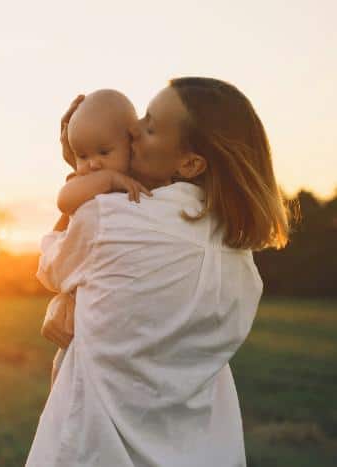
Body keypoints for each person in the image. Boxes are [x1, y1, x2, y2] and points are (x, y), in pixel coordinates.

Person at [26, 77, 291, 467]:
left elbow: (52, 265)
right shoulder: (243, 268)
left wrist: (83, 179)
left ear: (190, 163)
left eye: (148, 126)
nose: (131, 128)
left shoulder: (109, 219)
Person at [40, 89, 150, 389]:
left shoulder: (120, 201)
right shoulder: (103, 185)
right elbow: (66, 199)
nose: (92, 165)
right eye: (83, 156)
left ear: (133, 145)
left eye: (103, 152)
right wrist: (106, 178)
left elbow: (52, 265)